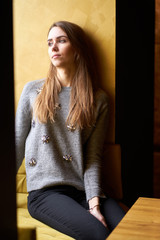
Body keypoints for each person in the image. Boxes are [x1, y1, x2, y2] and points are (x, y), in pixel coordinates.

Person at [15, 21, 125, 240]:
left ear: (77, 49)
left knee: (128, 228)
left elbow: (93, 158)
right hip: (45, 193)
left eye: (61, 41)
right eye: (49, 43)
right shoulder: (32, 91)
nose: (53, 48)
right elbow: (16, 145)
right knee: (97, 233)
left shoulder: (99, 99)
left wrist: (94, 203)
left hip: (83, 190)